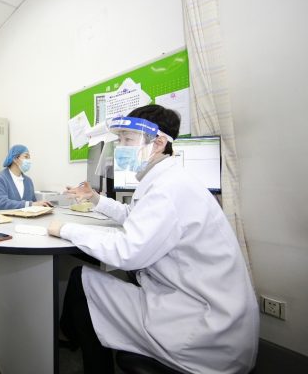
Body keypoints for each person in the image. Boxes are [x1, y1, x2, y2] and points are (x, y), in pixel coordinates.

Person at [48, 105, 259, 374]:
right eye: (119, 140)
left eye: (127, 139)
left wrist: (66, 229)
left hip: (203, 328)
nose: (120, 147)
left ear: (158, 143)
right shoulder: (168, 179)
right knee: (95, 282)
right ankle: (72, 336)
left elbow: (127, 252)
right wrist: (96, 199)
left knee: (82, 281)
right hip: (203, 308)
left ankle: (81, 351)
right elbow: (134, 216)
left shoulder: (167, 188)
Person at [0, 144, 52, 210]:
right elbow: (2, 204)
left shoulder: (28, 181)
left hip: (23, 217)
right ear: (15, 159)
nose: (29, 161)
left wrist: (42, 207)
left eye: (29, 158)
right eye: (26, 157)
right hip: (0, 216)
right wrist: (30, 204)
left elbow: (34, 203)